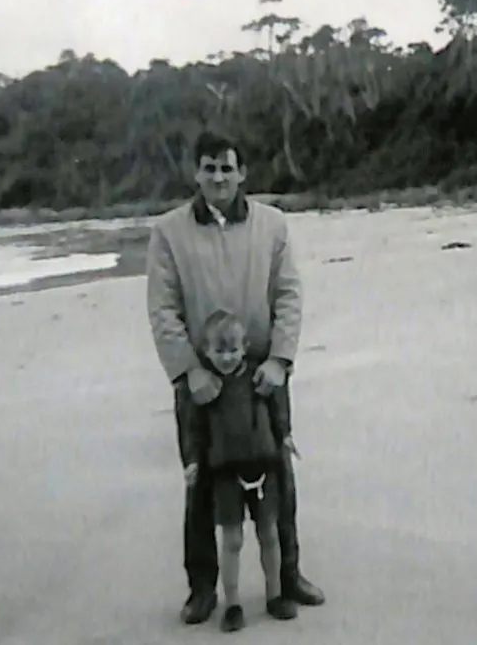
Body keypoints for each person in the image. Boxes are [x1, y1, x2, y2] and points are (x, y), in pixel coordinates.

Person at [147, 130, 325, 625]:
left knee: (279, 479)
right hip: (201, 381)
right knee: (201, 484)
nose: (219, 177)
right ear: (196, 173)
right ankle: (203, 588)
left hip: (263, 376)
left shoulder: (273, 225)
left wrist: (280, 361)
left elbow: (288, 295)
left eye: (227, 168)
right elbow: (163, 310)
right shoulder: (168, 232)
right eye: (210, 168)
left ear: (242, 173)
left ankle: (287, 576)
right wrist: (188, 370)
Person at [179, 309, 296, 632]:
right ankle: (232, 604)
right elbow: (196, 431)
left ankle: (275, 595)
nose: (227, 357)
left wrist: (285, 435)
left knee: (269, 534)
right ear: (206, 351)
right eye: (219, 351)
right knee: (231, 540)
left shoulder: (259, 378)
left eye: (233, 350)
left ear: (245, 346)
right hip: (225, 475)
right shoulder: (207, 389)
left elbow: (277, 409)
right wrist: (192, 461)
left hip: (264, 469)